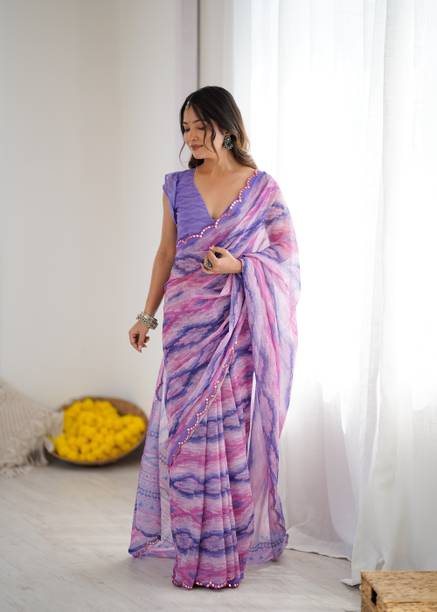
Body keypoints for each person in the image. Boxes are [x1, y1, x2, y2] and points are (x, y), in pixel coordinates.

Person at [127, 86, 301, 590]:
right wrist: (146, 316)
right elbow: (165, 254)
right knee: (184, 436)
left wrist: (240, 265)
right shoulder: (176, 186)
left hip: (235, 326)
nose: (192, 137)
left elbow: (286, 259)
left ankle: (226, 547)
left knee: (226, 432)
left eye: (201, 127)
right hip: (186, 323)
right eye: (186, 129)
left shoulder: (262, 188)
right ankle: (191, 548)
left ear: (226, 126)